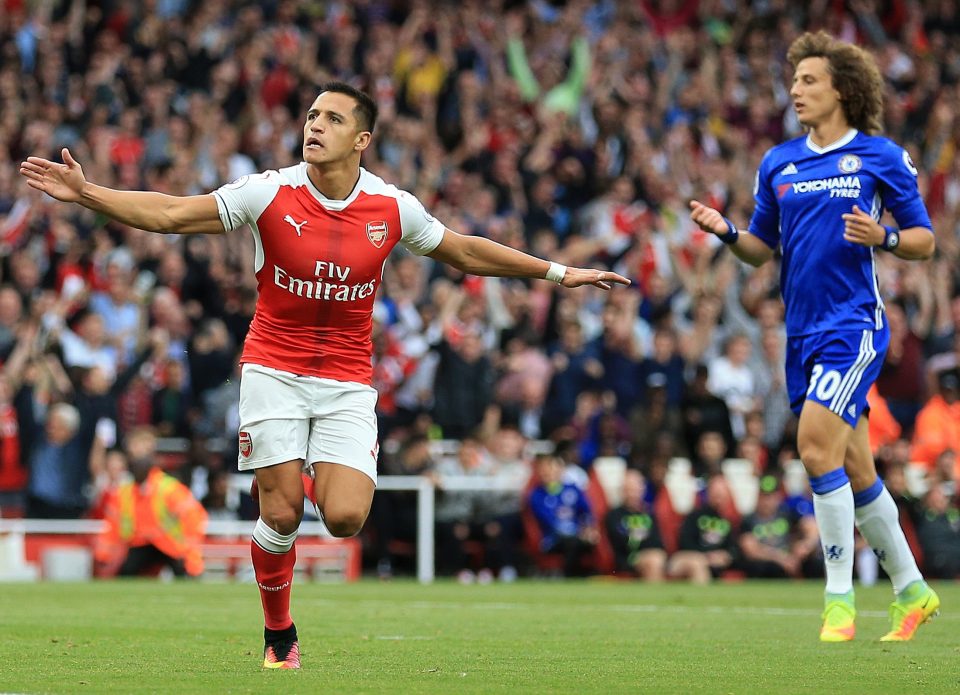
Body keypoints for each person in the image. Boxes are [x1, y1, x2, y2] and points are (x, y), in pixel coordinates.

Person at [20, 81, 628, 669]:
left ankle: (303, 469)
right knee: (281, 516)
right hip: (272, 371)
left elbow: (463, 249)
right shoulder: (269, 192)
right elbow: (175, 214)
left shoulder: (390, 207)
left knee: (343, 519)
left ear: (362, 139)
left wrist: (557, 273)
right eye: (312, 115)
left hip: (346, 381)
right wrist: (90, 194)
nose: (315, 125)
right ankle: (279, 630)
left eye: (333, 119)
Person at [689, 32, 939, 642]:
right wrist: (726, 231)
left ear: (842, 90)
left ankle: (838, 601)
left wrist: (883, 238)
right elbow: (759, 250)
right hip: (800, 334)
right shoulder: (779, 162)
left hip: (852, 327)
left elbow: (925, 241)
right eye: (794, 80)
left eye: (808, 81)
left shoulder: (880, 157)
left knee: (813, 448)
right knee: (854, 466)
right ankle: (912, 592)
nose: (795, 90)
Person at [94, 427, 208, 578]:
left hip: (170, 545)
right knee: (125, 574)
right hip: (140, 544)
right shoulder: (124, 492)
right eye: (134, 453)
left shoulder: (167, 488)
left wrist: (191, 551)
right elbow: (113, 524)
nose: (138, 459)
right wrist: (104, 554)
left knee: (185, 572)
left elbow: (194, 516)